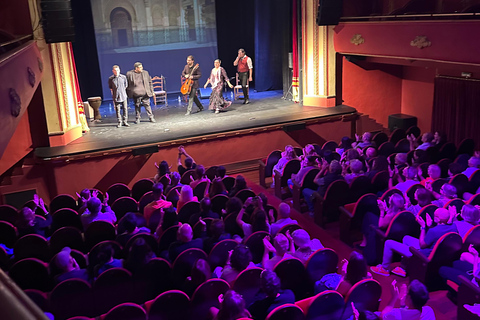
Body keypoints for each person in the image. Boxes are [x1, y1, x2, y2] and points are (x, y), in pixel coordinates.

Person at [371, 208, 457, 277]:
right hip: (435, 252)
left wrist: (423, 227)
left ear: (437, 219)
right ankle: (403, 268)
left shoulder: (434, 231)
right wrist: (430, 226)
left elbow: (422, 245)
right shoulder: (454, 227)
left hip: (422, 254)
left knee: (389, 243)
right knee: (406, 238)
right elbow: (437, 235)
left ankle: (385, 269)